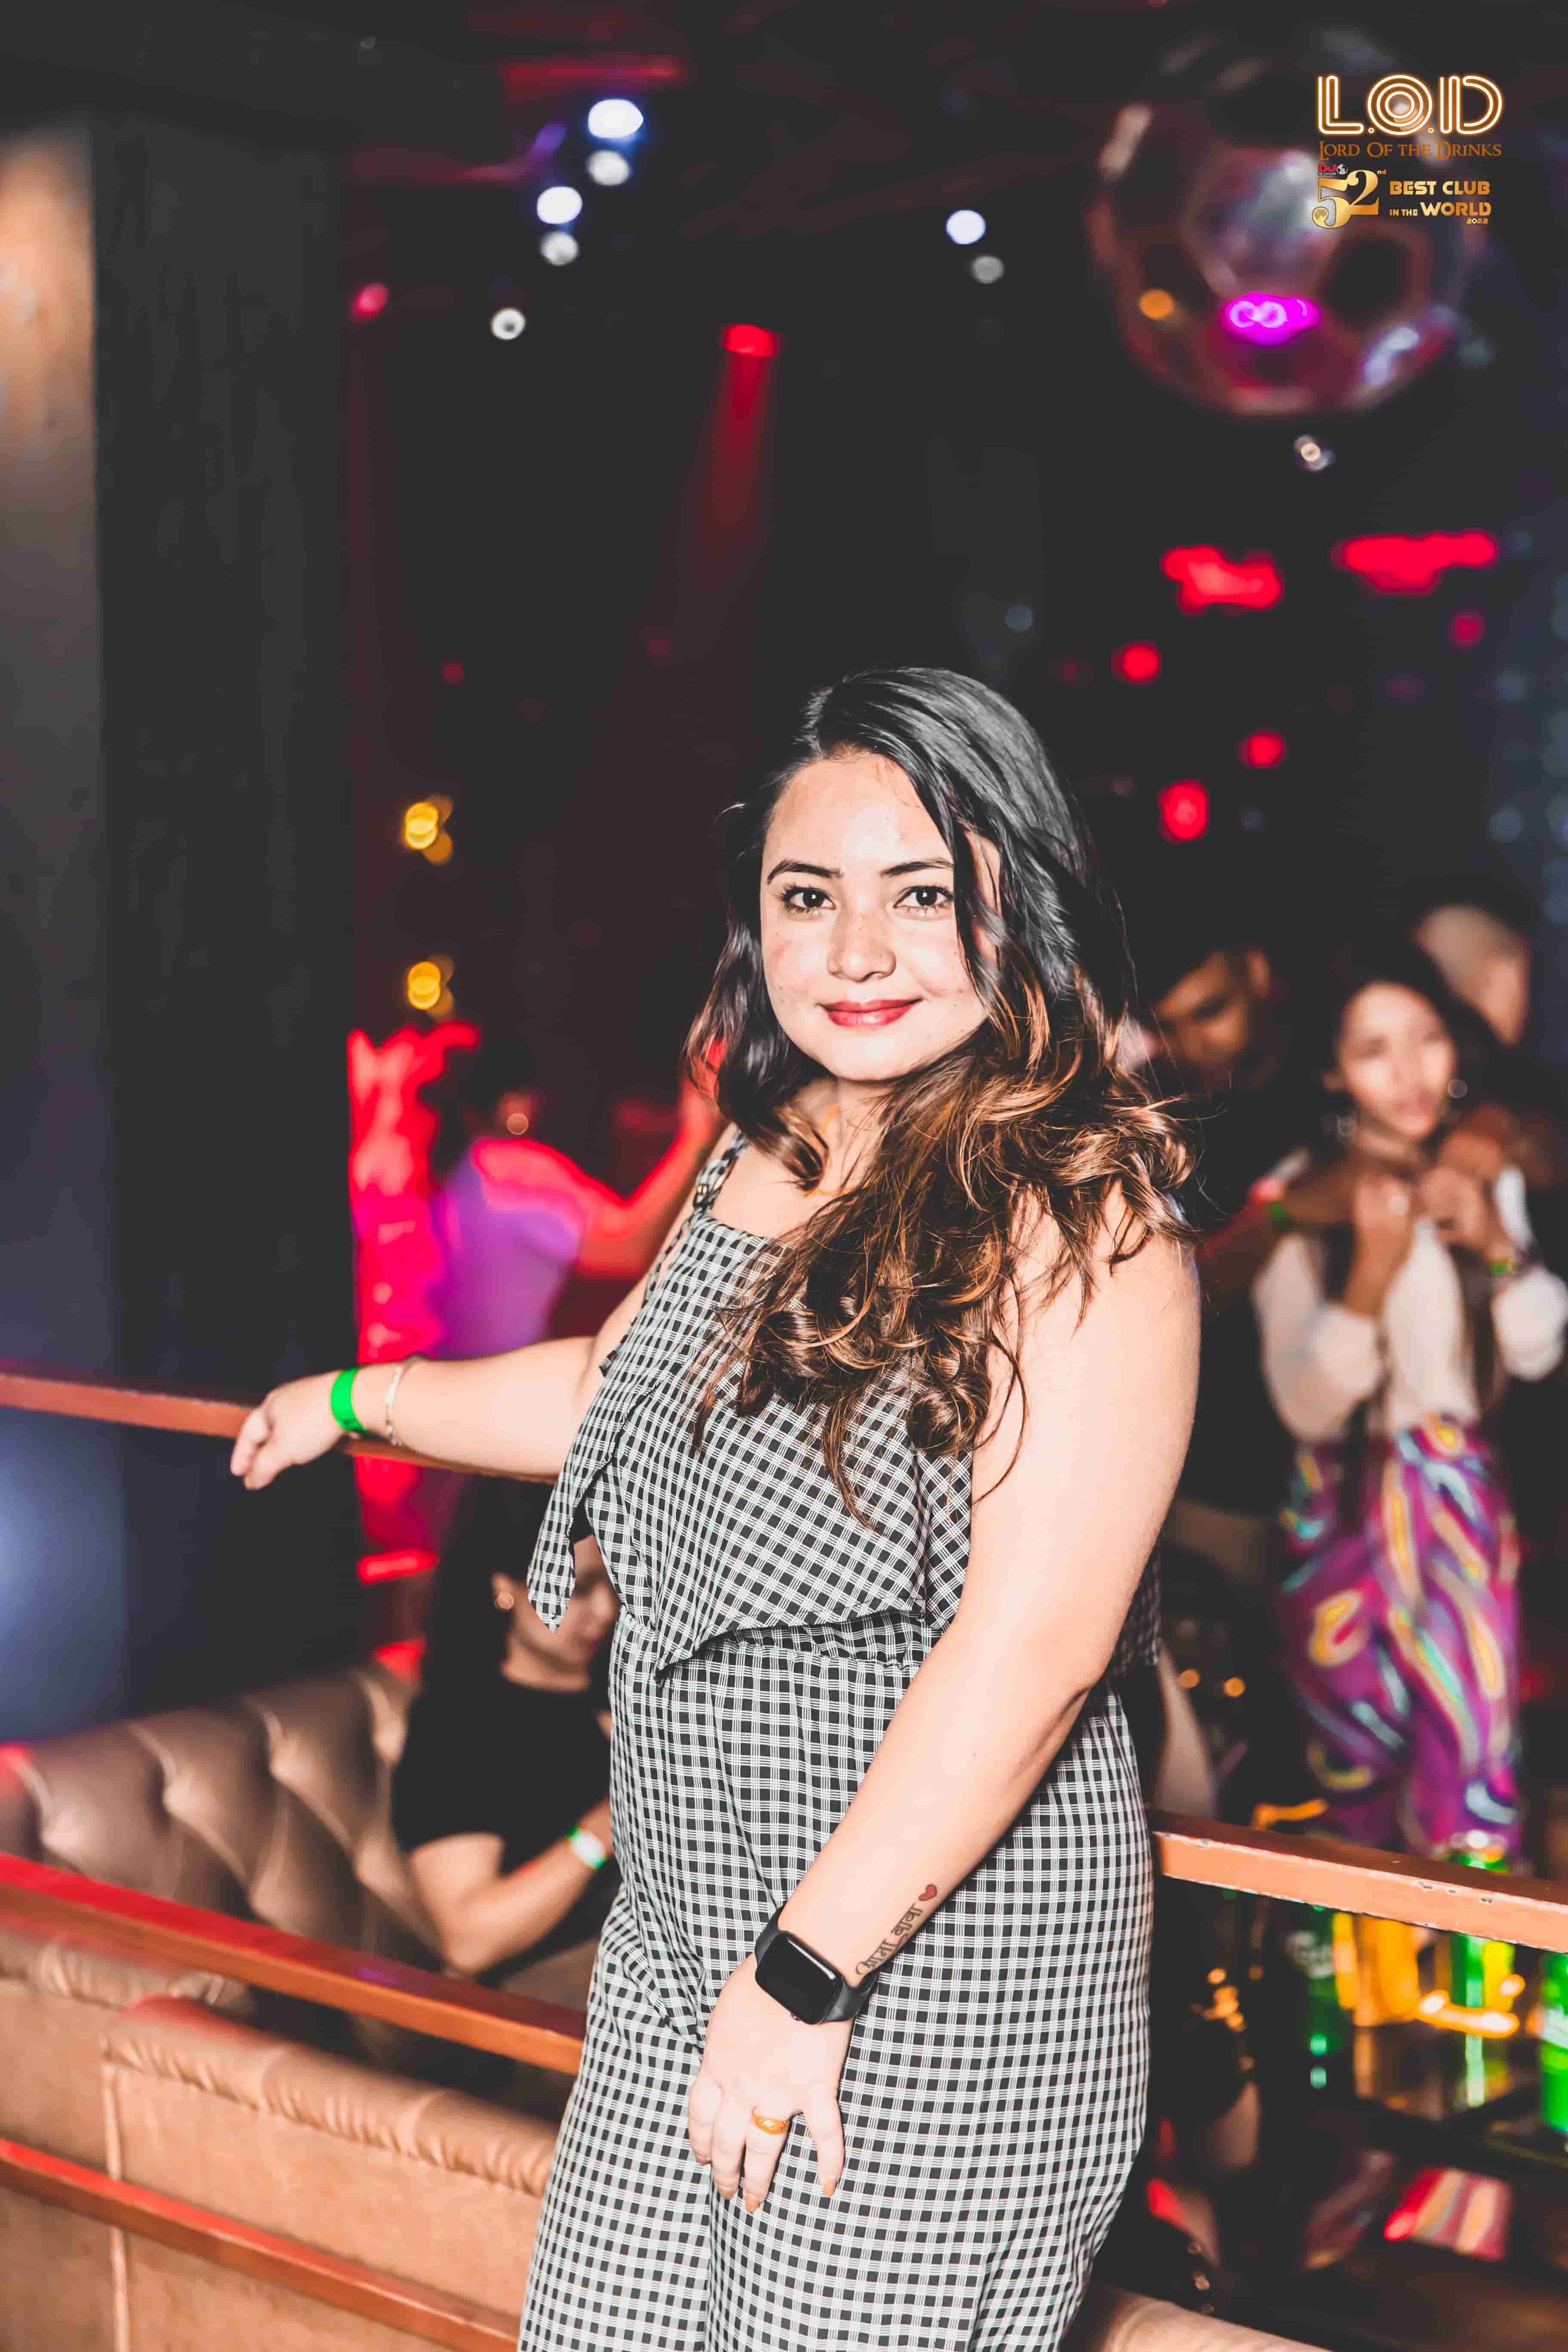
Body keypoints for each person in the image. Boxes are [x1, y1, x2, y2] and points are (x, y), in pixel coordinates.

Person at [232, 665, 1197, 2352]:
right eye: (808, 897)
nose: (857, 949)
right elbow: (617, 1387)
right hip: (687, 1920)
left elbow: (1033, 1651)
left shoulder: (1081, 1209)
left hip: (923, 1959)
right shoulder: (781, 1140)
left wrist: (804, 1973)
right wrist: (360, 1400)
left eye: (921, 895)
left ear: (1016, 902)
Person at [1252, 938, 1568, 1860]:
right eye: (1372, 1049)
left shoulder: (1482, 1172)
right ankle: (1365, 1953)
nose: (1408, 1072)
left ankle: (1469, 1949)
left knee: (1471, 1762)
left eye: (1425, 1038)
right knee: (1352, 1765)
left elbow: (1539, 1350)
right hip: (1341, 1506)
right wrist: (1369, 1275)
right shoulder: (1298, 1198)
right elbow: (1303, 1407)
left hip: (1460, 1500)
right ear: (1331, 1069)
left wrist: (1495, 1244)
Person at [391, 1476, 619, 2008]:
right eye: (580, 1589)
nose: (606, 1611)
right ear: (505, 1585)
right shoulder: (459, 1725)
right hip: (548, 1993)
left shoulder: (616, 1679)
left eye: (615, 1584)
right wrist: (605, 1827)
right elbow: (470, 1940)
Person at [424, 1032, 723, 1357]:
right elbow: (627, 1247)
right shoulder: (502, 1172)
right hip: (512, 1378)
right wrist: (699, 1130)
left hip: (453, 1375)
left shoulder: (445, 1176)